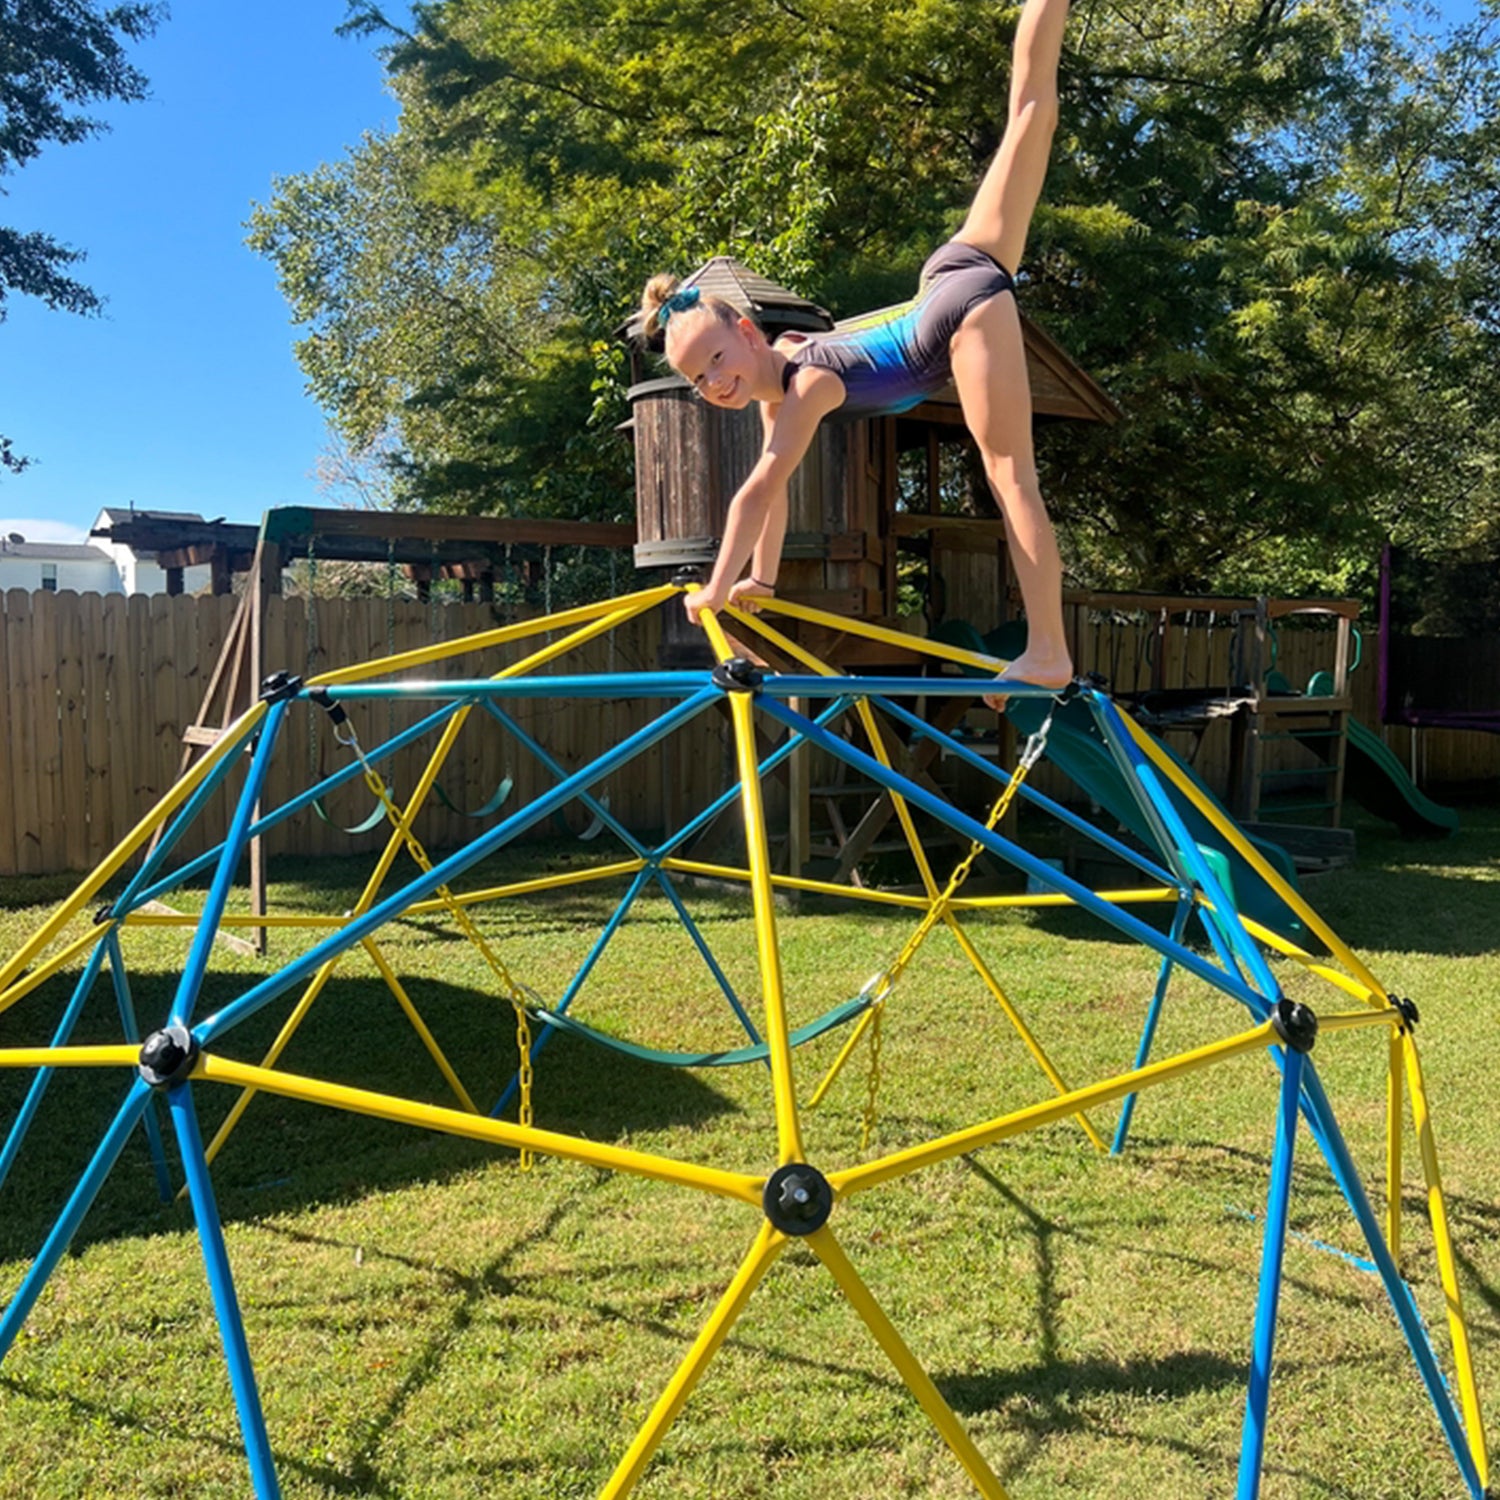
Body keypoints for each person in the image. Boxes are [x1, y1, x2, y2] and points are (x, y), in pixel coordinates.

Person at [636, 0, 1074, 704]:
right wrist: (762, 582)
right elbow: (771, 502)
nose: (713, 382)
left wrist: (714, 592)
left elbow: (755, 494)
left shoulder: (803, 385)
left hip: (958, 313)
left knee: (1008, 472)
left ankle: (1049, 651)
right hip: (950, 272)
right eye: (697, 378)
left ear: (746, 333)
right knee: (1030, 114)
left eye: (716, 359)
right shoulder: (782, 386)